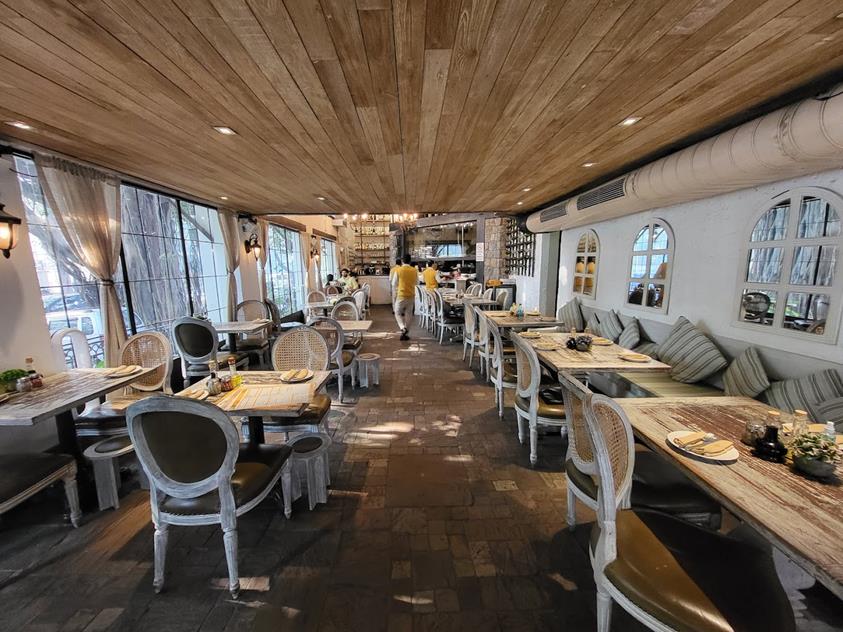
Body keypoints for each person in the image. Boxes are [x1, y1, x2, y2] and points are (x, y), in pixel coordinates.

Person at [392, 254, 418, 340]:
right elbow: (417, 282)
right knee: (409, 314)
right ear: (410, 261)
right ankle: (406, 333)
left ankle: (402, 328)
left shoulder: (398, 270)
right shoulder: (414, 270)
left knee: (397, 312)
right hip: (411, 295)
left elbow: (394, 283)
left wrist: (399, 287)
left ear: (402, 261)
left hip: (401, 295)